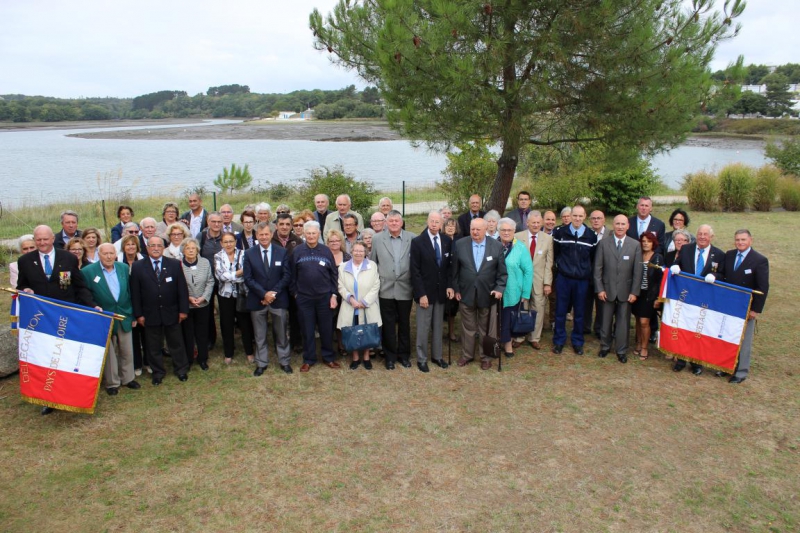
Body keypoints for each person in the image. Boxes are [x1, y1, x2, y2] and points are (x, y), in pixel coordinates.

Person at [16, 225, 98, 415]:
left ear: (52, 239)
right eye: (38, 240)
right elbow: (22, 285)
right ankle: (49, 399)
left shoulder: (68, 258)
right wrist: (25, 290)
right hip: (42, 320)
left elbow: (79, 286)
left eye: (45, 239)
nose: (42, 243)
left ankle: (70, 393)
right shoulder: (25, 261)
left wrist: (92, 305)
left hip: (64, 316)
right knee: (47, 358)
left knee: (65, 356)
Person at [130, 236, 190, 385]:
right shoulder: (138, 267)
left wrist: (183, 310)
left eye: (159, 245)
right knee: (153, 345)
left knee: (176, 343)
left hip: (172, 312)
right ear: (147, 248)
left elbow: (182, 289)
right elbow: (135, 293)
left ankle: (181, 369)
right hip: (149, 313)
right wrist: (139, 314)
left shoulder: (175, 264)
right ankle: (157, 372)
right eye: (152, 245)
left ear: (163, 247)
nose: (156, 248)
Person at [82, 243, 140, 395]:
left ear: (116, 254)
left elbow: (129, 292)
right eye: (104, 253)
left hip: (124, 314)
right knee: (110, 353)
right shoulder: (88, 272)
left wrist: (133, 314)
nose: (108, 257)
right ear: (98, 255)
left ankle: (128, 378)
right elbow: (85, 294)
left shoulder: (123, 268)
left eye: (111, 253)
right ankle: (112, 383)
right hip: (103, 317)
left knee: (127, 349)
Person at [449, 218, 507, 370]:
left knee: (485, 328)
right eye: (472, 229)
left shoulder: (496, 246)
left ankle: (486, 357)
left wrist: (499, 289)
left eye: (478, 229)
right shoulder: (460, 244)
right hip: (466, 293)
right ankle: (467, 355)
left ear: (486, 229)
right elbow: (454, 271)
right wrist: (456, 289)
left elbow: (502, 274)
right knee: (468, 327)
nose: (475, 232)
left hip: (488, 295)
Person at [671, 224, 726, 375]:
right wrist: (675, 267)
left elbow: (723, 274)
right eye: (700, 234)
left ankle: (696, 363)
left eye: (705, 234)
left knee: (698, 331)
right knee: (683, 328)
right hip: (685, 296)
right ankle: (681, 360)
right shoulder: (686, 249)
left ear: (711, 237)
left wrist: (715, 276)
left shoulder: (719, 255)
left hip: (704, 299)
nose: (702, 237)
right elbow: (677, 264)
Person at [719, 229, 769, 384]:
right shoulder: (729, 255)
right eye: (737, 240)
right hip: (728, 304)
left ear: (750, 240)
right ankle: (726, 366)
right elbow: (723, 275)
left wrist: (755, 309)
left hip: (746, 306)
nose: (740, 242)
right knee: (727, 336)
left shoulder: (759, 260)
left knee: (744, 340)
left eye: (743, 240)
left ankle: (741, 371)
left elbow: (763, 287)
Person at [289, 221, 341, 372]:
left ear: (319, 234)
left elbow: (334, 274)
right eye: (308, 233)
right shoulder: (297, 251)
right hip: (304, 298)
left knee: (326, 329)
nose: (311, 236)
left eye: (314, 233)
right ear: (304, 234)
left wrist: (333, 294)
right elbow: (292, 275)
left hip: (324, 297)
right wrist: (296, 294)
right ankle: (309, 359)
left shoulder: (326, 251)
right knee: (307, 329)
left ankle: (328, 357)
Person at [244, 222, 293, 375]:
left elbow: (286, 276)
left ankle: (284, 361)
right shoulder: (249, 253)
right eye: (261, 234)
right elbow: (248, 278)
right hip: (258, 300)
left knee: (281, 333)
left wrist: (272, 294)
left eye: (266, 234)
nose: (264, 237)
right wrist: (263, 294)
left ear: (272, 234)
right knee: (259, 335)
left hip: (278, 299)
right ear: (256, 236)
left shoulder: (282, 252)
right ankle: (261, 363)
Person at [594, 215, 643, 364]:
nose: (620, 227)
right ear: (613, 225)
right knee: (605, 321)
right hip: (607, 291)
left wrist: (634, 292)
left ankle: (621, 350)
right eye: (617, 224)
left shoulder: (635, 245)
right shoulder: (603, 244)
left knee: (623, 323)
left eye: (623, 224)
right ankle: (605, 346)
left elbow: (638, 271)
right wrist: (600, 289)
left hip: (626, 292)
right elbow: (597, 269)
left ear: (628, 226)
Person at [371, 210, 414, 370]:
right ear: (386, 223)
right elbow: (373, 263)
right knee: (388, 324)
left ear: (401, 223)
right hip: (385, 288)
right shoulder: (377, 239)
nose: (394, 223)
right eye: (391, 221)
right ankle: (389, 357)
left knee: (404, 323)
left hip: (405, 287)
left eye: (397, 221)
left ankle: (404, 355)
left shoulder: (412, 238)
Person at [551, 205, 597, 355]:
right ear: (570, 216)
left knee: (580, 312)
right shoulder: (560, 233)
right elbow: (556, 253)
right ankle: (559, 340)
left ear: (585, 217)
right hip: (564, 278)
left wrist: (585, 272)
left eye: (580, 216)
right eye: (574, 216)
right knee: (560, 311)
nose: (577, 219)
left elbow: (592, 257)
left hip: (582, 280)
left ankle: (577, 341)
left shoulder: (591, 235)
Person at [410, 211, 452, 372]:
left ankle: (437, 356)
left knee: (438, 326)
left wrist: (449, 286)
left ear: (442, 224)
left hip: (441, 292)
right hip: (425, 293)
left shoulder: (447, 241)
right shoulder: (418, 242)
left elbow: (448, 267)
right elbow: (415, 271)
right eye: (432, 221)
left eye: (437, 222)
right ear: (427, 222)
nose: (435, 224)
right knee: (423, 327)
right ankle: (422, 358)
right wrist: (421, 294)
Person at [337, 242, 382, 370]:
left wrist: (365, 301)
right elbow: (340, 285)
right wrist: (351, 299)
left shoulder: (371, 265)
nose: (358, 253)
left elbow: (376, 284)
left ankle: (366, 357)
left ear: (365, 253)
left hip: (367, 306)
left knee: (367, 330)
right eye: (355, 251)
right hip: (351, 305)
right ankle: (355, 357)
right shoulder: (343, 266)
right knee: (352, 331)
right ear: (351, 252)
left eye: (361, 251)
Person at [514, 211, 553, 350]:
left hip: (539, 281)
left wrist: (547, 283)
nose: (536, 225)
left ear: (541, 223)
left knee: (538, 309)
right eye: (533, 222)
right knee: (521, 308)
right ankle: (519, 337)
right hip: (521, 281)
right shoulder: (517, 237)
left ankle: (534, 337)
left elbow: (549, 263)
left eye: (538, 223)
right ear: (527, 223)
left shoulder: (547, 239)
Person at [214, 231, 254, 365]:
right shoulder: (217, 256)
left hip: (241, 294)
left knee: (245, 324)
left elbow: (246, 274)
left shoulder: (244, 254)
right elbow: (220, 276)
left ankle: (249, 352)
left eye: (231, 241)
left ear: (235, 242)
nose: (229, 244)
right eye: (225, 242)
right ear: (221, 243)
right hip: (225, 296)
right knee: (226, 325)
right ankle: (228, 353)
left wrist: (230, 275)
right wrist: (237, 273)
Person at [498, 218, 533, 359]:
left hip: (513, 291)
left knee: (508, 318)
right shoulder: (493, 245)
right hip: (495, 291)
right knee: (496, 318)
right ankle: (496, 340)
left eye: (509, 230)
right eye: (503, 230)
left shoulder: (520, 248)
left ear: (514, 231)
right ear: (498, 231)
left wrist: (525, 292)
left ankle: (507, 345)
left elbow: (528, 271)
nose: (506, 233)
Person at [180, 238, 215, 371]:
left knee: (202, 332)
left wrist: (203, 297)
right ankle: (189, 359)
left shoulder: (205, 263)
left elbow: (210, 281)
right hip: (186, 305)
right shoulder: (178, 264)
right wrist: (188, 298)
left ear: (197, 250)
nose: (190, 251)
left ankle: (203, 358)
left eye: (193, 248)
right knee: (188, 333)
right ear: (183, 250)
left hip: (202, 304)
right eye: (188, 248)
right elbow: (179, 285)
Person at [117, 234, 147, 375]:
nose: (130, 247)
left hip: (143, 303)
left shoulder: (144, 261)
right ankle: (137, 365)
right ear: (123, 247)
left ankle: (148, 362)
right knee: (133, 336)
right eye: (128, 244)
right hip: (127, 306)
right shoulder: (117, 262)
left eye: (133, 244)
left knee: (147, 335)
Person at [631, 231, 663, 362]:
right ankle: (638, 343)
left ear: (653, 243)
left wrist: (658, 298)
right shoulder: (638, 255)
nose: (645, 244)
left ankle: (644, 347)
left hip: (650, 294)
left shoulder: (657, 258)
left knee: (645, 322)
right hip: (637, 293)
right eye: (643, 241)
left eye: (648, 241)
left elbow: (660, 280)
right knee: (638, 320)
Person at [585, 210, 607, 337]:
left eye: (599, 218)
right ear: (590, 220)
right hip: (587, 274)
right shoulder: (586, 233)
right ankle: (585, 326)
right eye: (593, 218)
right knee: (586, 302)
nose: (596, 221)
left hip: (604, 276)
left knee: (602, 304)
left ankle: (599, 328)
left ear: (604, 220)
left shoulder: (611, 234)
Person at [442, 217, 462, 340]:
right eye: (448, 225)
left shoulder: (460, 241)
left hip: (455, 277)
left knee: (453, 307)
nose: (450, 227)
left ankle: (451, 332)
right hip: (442, 277)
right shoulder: (440, 239)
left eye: (453, 225)